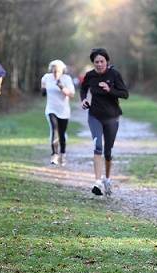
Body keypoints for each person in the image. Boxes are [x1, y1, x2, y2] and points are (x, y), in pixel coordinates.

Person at [80, 48, 129, 196]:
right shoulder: (90, 76)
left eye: (102, 61)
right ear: (93, 63)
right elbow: (83, 89)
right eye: (96, 62)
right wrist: (84, 100)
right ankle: (97, 182)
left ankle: (107, 179)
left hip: (112, 117)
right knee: (97, 146)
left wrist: (110, 89)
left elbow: (125, 94)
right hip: (94, 116)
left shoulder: (114, 74)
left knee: (108, 152)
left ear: (107, 61)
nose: (99, 64)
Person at [41, 59, 75, 166]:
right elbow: (43, 91)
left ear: (62, 71)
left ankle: (63, 154)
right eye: (54, 71)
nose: (55, 73)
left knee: (62, 133)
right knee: (54, 129)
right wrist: (43, 88)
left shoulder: (67, 79)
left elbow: (71, 95)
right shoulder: (46, 77)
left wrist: (61, 87)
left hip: (64, 111)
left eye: (58, 71)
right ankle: (54, 154)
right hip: (51, 109)